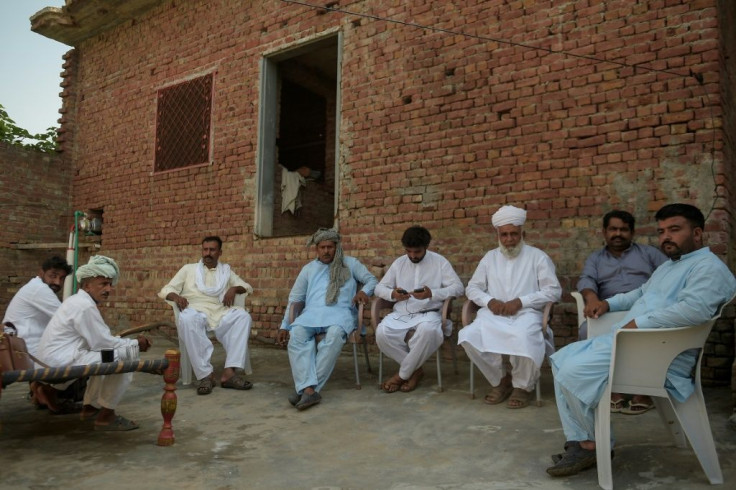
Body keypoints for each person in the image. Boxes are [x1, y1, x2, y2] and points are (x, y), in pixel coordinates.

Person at [546, 203, 736, 477]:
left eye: (674, 229)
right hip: (633, 343)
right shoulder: (671, 266)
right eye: (661, 231)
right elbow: (640, 293)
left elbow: (694, 311)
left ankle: (592, 445)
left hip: (661, 355)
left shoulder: (708, 268)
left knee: (573, 371)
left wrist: (638, 324)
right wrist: (608, 305)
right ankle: (583, 441)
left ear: (697, 233)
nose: (666, 237)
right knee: (560, 360)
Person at [458, 205, 562, 409]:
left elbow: (554, 291)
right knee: (469, 336)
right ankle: (501, 380)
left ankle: (523, 386)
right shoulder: (489, 258)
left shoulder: (538, 257)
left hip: (527, 314)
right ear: (497, 234)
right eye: (504, 235)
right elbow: (472, 288)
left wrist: (521, 301)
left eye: (514, 234)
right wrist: (490, 302)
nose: (509, 239)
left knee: (524, 337)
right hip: (493, 314)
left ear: (523, 233)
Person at [37, 255, 152, 431]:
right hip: (60, 361)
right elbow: (103, 343)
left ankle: (90, 408)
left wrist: (129, 344)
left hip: (61, 358)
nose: (108, 289)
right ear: (87, 285)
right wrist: (135, 345)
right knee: (126, 359)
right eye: (103, 284)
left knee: (108, 357)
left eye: (110, 284)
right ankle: (106, 415)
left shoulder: (79, 301)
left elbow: (100, 342)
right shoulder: (84, 306)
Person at [277, 228, 377, 411]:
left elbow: (371, 280)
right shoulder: (308, 269)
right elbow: (295, 299)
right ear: (316, 249)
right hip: (311, 314)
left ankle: (306, 389)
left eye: (329, 247)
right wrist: (285, 325)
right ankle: (309, 390)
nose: (326, 251)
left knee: (334, 336)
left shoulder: (350, 263)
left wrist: (363, 291)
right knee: (296, 335)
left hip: (340, 314)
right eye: (322, 247)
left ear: (336, 247)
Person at [577, 210, 667, 414]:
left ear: (632, 232)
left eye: (623, 229)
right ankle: (611, 390)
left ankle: (643, 391)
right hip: (607, 309)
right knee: (585, 332)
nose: (618, 234)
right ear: (604, 232)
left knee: (649, 333)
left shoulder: (649, 253)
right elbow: (586, 279)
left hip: (644, 308)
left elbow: (668, 274)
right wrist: (591, 298)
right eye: (613, 229)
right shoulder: (596, 259)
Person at [159, 236, 254, 395]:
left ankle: (229, 373)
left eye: (212, 250)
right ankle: (206, 375)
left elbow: (246, 286)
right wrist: (176, 297)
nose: (207, 253)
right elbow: (167, 289)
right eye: (205, 249)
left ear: (220, 252)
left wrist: (234, 289)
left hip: (220, 310)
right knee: (187, 319)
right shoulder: (188, 269)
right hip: (195, 309)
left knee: (243, 317)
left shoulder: (226, 271)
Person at [375, 225, 464, 393]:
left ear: (426, 247)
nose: (412, 256)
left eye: (417, 252)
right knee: (382, 333)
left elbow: (458, 288)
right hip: (401, 314)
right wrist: (393, 294)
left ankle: (401, 376)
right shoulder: (399, 263)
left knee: (429, 331)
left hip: (428, 314)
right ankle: (414, 370)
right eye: (408, 251)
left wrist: (433, 294)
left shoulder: (439, 262)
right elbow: (379, 289)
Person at [2, 255, 88, 413]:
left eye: (61, 278)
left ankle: (41, 390)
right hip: (24, 354)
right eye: (53, 276)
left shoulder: (35, 287)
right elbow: (68, 318)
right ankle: (48, 390)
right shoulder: (39, 290)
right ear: (41, 272)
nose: (57, 282)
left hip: (24, 350)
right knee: (87, 350)